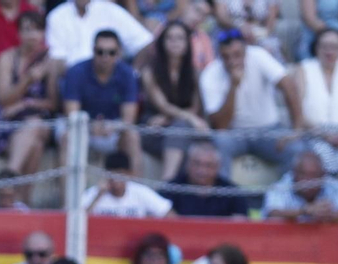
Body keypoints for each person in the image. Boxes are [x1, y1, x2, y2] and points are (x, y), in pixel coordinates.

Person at [201, 29, 303, 177]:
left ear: (245, 50)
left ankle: (285, 197)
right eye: (226, 57)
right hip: (233, 133)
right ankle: (226, 198)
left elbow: (288, 85)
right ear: (219, 55)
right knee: (218, 145)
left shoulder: (258, 56)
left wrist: (296, 129)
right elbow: (220, 126)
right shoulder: (210, 74)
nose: (232, 61)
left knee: (296, 148)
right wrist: (234, 86)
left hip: (268, 130)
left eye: (237, 55)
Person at [0, 9, 58, 185]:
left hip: (37, 119)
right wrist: (27, 80)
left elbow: (53, 104)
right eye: (27, 29)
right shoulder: (7, 58)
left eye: (37, 30)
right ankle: (21, 203)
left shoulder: (50, 61)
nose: (32, 35)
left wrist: (25, 104)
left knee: (35, 125)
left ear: (43, 33)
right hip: (7, 121)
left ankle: (9, 177)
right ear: (18, 33)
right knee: (35, 145)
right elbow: (3, 99)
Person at [141, 20, 208, 181]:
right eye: (170, 38)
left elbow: (195, 108)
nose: (175, 43)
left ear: (187, 43)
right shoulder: (149, 71)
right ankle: (168, 182)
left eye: (180, 38)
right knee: (181, 130)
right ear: (162, 42)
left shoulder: (194, 73)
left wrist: (173, 119)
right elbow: (163, 106)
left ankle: (170, 185)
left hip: (175, 125)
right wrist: (190, 118)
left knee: (181, 130)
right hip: (154, 129)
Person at [295, 26, 338, 176]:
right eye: (324, 46)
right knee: (323, 157)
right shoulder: (303, 69)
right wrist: (325, 135)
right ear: (316, 48)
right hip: (314, 133)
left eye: (334, 47)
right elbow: (298, 112)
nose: (329, 51)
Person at [62, 30, 140, 159]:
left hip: (113, 127)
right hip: (80, 126)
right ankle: (66, 180)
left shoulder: (127, 74)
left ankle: (134, 180)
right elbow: (72, 115)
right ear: (93, 50)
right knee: (68, 136)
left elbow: (129, 118)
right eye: (100, 52)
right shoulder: (76, 71)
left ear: (119, 52)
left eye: (111, 52)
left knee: (132, 136)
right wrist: (90, 128)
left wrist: (112, 127)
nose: (105, 57)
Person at [45, 0, 153, 67]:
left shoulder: (110, 10)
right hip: (72, 78)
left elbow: (145, 41)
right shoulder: (57, 16)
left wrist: (133, 72)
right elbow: (57, 57)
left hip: (110, 76)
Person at [167, 140, 247, 217]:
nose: (202, 170)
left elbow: (241, 223)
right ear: (188, 163)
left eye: (208, 165)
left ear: (218, 167)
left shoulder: (231, 192)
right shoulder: (172, 188)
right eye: (197, 163)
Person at [263, 149, 338, 221]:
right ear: (294, 173)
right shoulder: (280, 186)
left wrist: (326, 214)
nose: (308, 181)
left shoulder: (334, 185)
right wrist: (306, 211)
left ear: (323, 175)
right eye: (303, 174)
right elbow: (272, 214)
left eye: (314, 175)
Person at [83, 150, 173, 217]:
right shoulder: (95, 193)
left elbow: (169, 214)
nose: (115, 178)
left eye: (120, 173)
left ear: (129, 174)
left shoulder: (140, 192)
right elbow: (77, 221)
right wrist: (97, 197)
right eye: (111, 174)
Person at [214, 0, 279, 58]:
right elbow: (221, 17)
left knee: (268, 50)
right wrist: (239, 27)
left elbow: (270, 24)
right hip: (231, 32)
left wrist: (255, 34)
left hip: (260, 34)